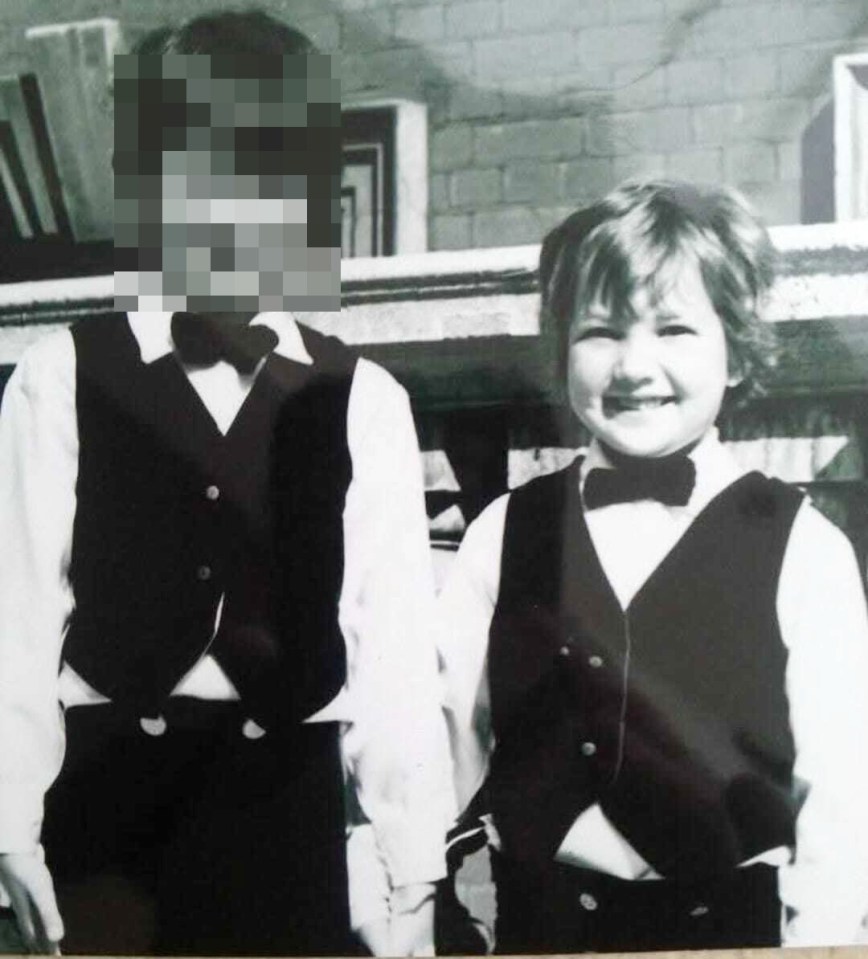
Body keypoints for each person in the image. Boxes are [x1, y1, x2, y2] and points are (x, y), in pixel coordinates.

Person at [0, 10, 454, 956]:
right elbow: (14, 625)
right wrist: (8, 824)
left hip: (284, 814)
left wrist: (410, 862)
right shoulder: (60, 377)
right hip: (104, 821)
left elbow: (396, 658)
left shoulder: (362, 400)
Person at [438, 179, 868, 953]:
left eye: (674, 329)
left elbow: (839, 797)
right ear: (560, 349)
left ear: (737, 353)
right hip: (541, 931)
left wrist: (821, 943)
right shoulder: (503, 534)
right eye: (601, 331)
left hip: (729, 937)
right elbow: (443, 743)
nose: (635, 365)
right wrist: (417, 903)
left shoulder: (806, 547)